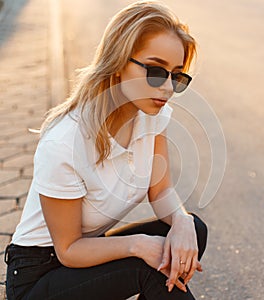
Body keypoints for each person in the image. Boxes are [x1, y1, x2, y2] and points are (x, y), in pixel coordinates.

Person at [5, 1, 207, 299]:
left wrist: (182, 220)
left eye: (176, 76)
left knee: (189, 233)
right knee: (148, 265)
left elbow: (160, 191)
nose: (166, 87)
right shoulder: (65, 141)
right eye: (155, 71)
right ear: (118, 63)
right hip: (40, 275)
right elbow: (68, 250)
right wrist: (136, 245)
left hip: (87, 257)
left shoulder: (152, 118)